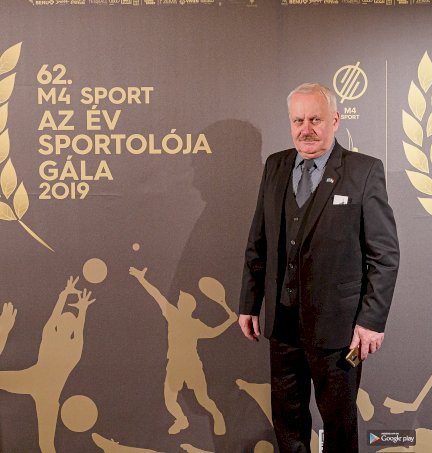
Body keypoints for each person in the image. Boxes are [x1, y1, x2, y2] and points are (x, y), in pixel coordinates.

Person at [238, 82, 399, 453]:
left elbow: (385, 254)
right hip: (282, 324)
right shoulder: (275, 166)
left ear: (335, 121)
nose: (305, 129)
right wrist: (249, 302)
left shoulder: (363, 171)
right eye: (298, 120)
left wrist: (372, 321)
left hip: (338, 329)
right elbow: (259, 240)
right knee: (288, 424)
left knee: (339, 425)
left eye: (315, 119)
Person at [129, 266, 237, 436]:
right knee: (173, 398)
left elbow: (157, 295)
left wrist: (142, 279)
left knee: (201, 399)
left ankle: (216, 415)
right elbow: (156, 295)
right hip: (176, 365)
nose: (178, 301)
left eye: (180, 300)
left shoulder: (184, 319)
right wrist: (229, 321)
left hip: (191, 366)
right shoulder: (177, 316)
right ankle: (181, 420)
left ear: (185, 305)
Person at [0, 276, 95, 453]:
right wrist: (71, 301)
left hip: (47, 393)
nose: (64, 319)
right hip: (34, 379)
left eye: (67, 320)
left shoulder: (72, 350)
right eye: (64, 319)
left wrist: (76, 305)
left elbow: (76, 329)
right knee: (46, 445)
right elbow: (58, 318)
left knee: (46, 445)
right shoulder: (54, 338)